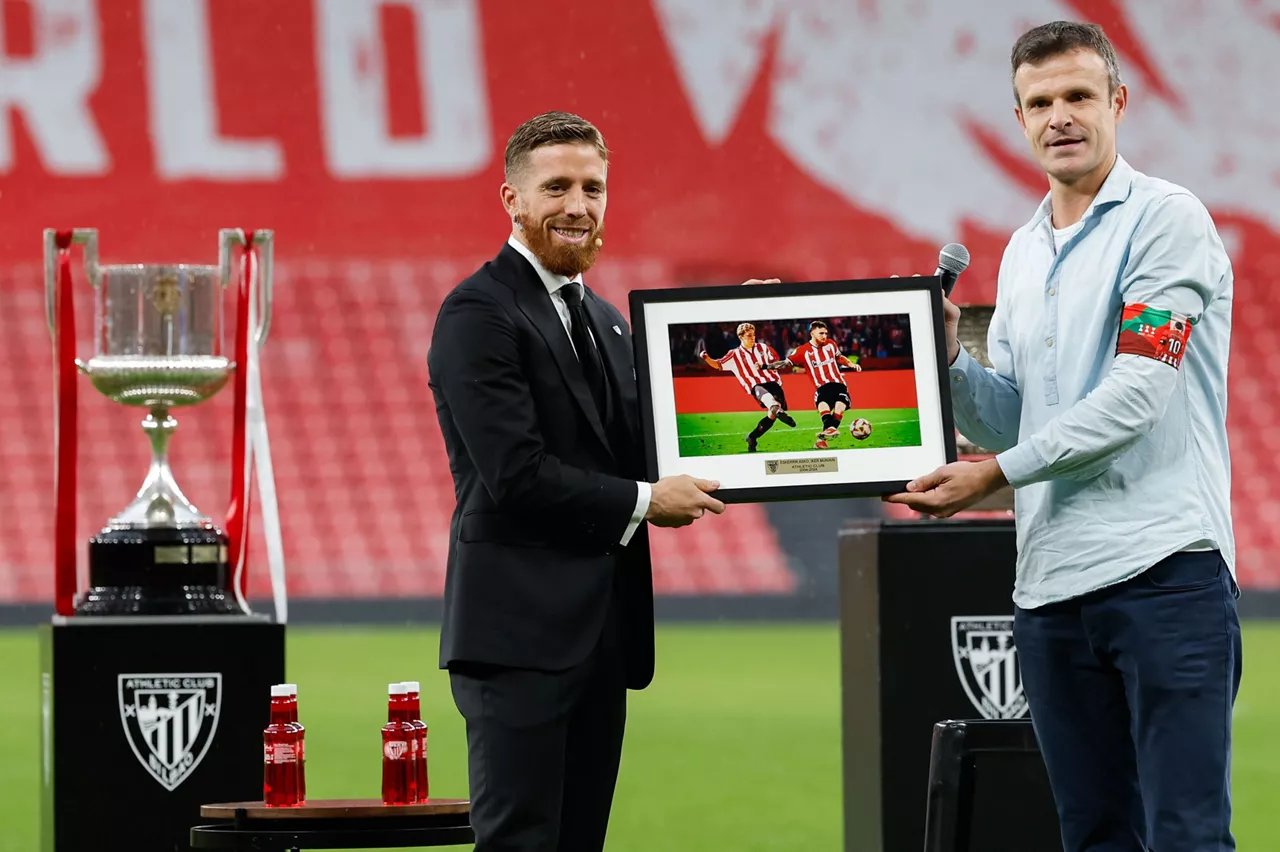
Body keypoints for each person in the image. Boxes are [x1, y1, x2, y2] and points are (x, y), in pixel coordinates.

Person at [885, 21, 1240, 852]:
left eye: (1078, 95)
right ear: (1019, 120)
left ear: (1117, 102)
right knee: (1092, 836)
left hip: (1166, 576)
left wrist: (991, 476)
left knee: (1186, 835)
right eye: (1039, 102)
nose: (1060, 116)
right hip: (1048, 589)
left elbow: (1137, 396)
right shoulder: (1017, 253)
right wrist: (947, 365)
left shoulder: (1167, 220)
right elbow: (1015, 415)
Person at [426, 111, 729, 851]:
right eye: (556, 186)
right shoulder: (478, 312)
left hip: (602, 636)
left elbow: (647, 442)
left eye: (593, 187)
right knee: (521, 841)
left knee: (578, 841)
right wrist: (644, 502)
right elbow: (515, 475)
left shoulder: (605, 318)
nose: (577, 205)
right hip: (517, 635)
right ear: (512, 199)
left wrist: (736, 332)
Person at [697, 322, 797, 452]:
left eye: (753, 335)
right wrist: (707, 358)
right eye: (749, 336)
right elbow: (718, 365)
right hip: (756, 385)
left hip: (774, 383)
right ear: (741, 338)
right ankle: (776, 410)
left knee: (771, 416)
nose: (752, 338)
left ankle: (752, 437)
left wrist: (771, 365)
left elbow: (776, 362)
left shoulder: (763, 348)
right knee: (771, 404)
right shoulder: (734, 354)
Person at [783, 320, 862, 449]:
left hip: (838, 383)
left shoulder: (831, 344)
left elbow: (839, 357)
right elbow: (787, 363)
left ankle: (826, 434)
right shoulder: (803, 351)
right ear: (812, 333)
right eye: (821, 333)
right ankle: (826, 436)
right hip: (822, 386)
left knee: (839, 406)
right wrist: (768, 366)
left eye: (826, 333)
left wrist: (851, 364)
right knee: (822, 401)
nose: (824, 336)